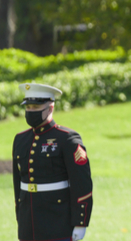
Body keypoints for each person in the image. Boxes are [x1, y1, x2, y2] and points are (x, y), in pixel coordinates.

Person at [12, 83, 93, 241]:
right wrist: (20, 216)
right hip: (28, 223)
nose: (30, 111)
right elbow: (18, 183)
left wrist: (80, 222)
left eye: (36, 107)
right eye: (28, 107)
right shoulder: (20, 139)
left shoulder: (67, 138)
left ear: (50, 107)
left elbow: (81, 183)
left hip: (57, 222)